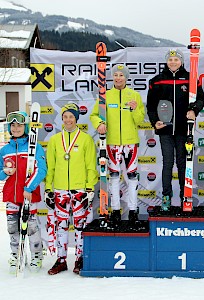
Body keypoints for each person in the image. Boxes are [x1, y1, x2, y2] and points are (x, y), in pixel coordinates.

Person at [146, 49, 204, 210]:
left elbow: (201, 98)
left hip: (183, 129)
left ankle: (184, 197)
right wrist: (155, 121)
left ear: (181, 61)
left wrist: (194, 110)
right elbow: (151, 106)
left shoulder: (190, 79)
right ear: (167, 61)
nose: (173, 62)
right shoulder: (157, 81)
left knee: (182, 164)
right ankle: (166, 197)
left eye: (176, 59)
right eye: (170, 59)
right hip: (165, 129)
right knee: (167, 163)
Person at [45, 103, 98, 275]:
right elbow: (50, 167)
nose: (68, 120)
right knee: (61, 226)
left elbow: (91, 165)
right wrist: (48, 189)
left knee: (80, 226)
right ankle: (61, 260)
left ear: (76, 118)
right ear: (62, 118)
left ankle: (79, 258)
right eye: (65, 116)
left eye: (71, 116)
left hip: (80, 189)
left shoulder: (85, 139)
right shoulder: (54, 140)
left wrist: (90, 189)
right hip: (60, 189)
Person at [90, 64, 145, 225]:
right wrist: (99, 123)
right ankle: (115, 210)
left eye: (121, 75)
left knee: (132, 178)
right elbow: (94, 115)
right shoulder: (105, 96)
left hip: (130, 144)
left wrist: (135, 110)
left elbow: (140, 119)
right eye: (116, 75)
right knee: (113, 177)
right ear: (112, 77)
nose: (118, 78)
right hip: (112, 143)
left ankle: (133, 211)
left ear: (126, 78)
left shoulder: (134, 95)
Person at [0, 110, 47, 274]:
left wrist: (29, 187)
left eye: (19, 125)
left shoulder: (35, 147)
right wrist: (4, 172)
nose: (16, 128)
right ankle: (16, 255)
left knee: (31, 226)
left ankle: (36, 255)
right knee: (12, 227)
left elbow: (42, 170)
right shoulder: (5, 150)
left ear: (25, 126)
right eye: (13, 125)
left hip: (28, 194)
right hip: (11, 194)